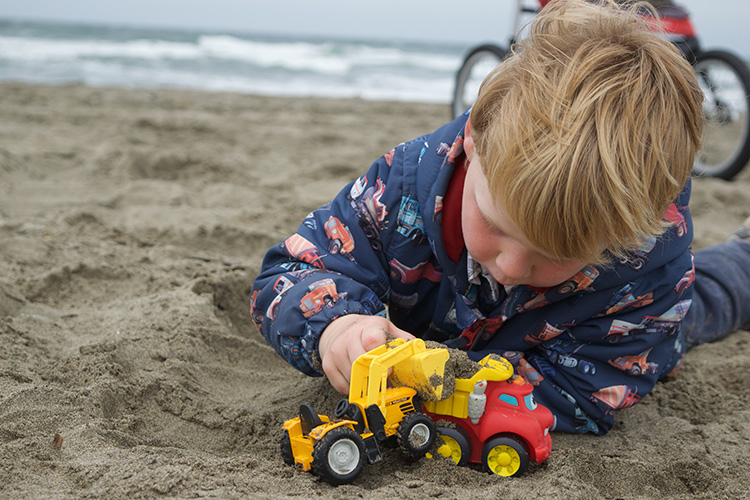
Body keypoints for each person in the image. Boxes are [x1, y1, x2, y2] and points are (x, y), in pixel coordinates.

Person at [251, 0, 750, 434]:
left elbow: (585, 393)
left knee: (701, 303)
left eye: (554, 254)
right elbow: (291, 272)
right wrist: (336, 328)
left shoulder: (645, 264)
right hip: (443, 313)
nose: (511, 267)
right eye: (496, 226)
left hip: (590, 331)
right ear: (472, 140)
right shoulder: (404, 183)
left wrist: (453, 382)